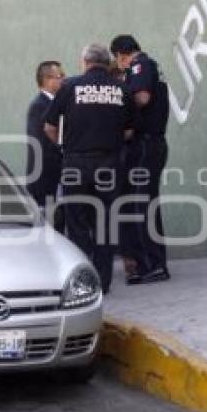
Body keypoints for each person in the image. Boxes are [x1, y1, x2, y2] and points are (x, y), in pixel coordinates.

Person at [44, 42, 134, 294]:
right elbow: (129, 130)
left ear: (85, 62)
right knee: (105, 222)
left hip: (76, 163)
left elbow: (49, 127)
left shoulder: (69, 86)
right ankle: (103, 282)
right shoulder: (121, 89)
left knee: (78, 222)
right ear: (107, 62)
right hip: (109, 164)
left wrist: (66, 148)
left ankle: (84, 284)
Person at [110, 34, 170, 284]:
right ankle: (152, 263)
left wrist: (118, 103)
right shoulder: (146, 65)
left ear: (121, 55)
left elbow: (142, 97)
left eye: (117, 60)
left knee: (140, 205)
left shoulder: (140, 65)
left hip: (145, 144)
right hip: (150, 144)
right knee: (143, 203)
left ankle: (151, 264)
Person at [25, 60, 65, 230]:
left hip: (53, 176)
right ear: (48, 79)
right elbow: (43, 142)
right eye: (60, 76)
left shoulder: (52, 103)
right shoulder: (40, 105)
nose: (64, 79)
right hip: (44, 176)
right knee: (46, 224)